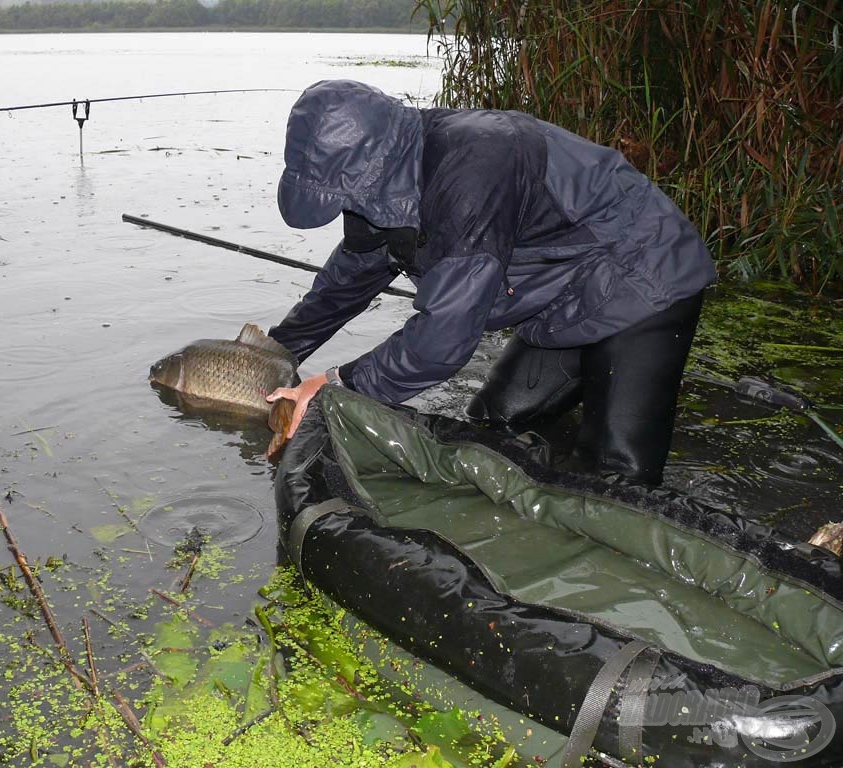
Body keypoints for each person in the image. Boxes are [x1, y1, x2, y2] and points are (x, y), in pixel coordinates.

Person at [265, 80, 716, 486]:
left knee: (616, 479)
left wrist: (337, 384)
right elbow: (348, 278)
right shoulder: (386, 191)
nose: (346, 208)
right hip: (560, 304)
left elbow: (443, 339)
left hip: (644, 280)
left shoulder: (474, 169)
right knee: (494, 421)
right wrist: (275, 354)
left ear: (372, 172)